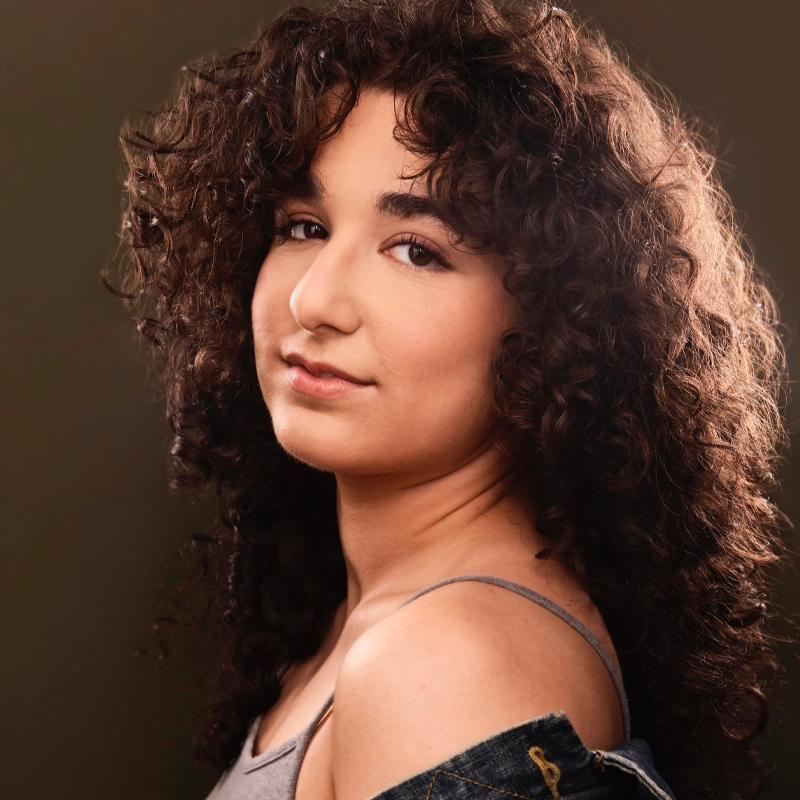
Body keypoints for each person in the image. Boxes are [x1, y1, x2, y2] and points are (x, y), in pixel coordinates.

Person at [114, 1, 788, 798]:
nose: (315, 301)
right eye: (302, 226)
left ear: (551, 318)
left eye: (416, 251)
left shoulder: (448, 663)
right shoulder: (377, 627)